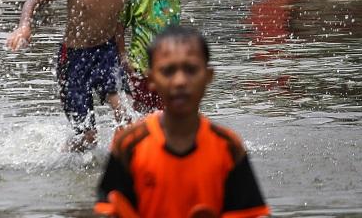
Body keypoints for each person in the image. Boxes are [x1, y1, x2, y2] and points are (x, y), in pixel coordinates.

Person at [93, 26, 270, 218]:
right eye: (168, 71)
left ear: (208, 76)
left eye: (191, 70)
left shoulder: (228, 147)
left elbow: (249, 214)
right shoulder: (129, 145)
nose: (180, 81)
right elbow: (110, 211)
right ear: (151, 79)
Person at [6, 0, 137, 149]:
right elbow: (34, 0)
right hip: (73, 59)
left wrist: (123, 54)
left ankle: (125, 162)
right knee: (87, 137)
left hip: (106, 54)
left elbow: (119, 23)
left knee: (126, 113)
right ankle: (65, 156)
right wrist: (24, 26)